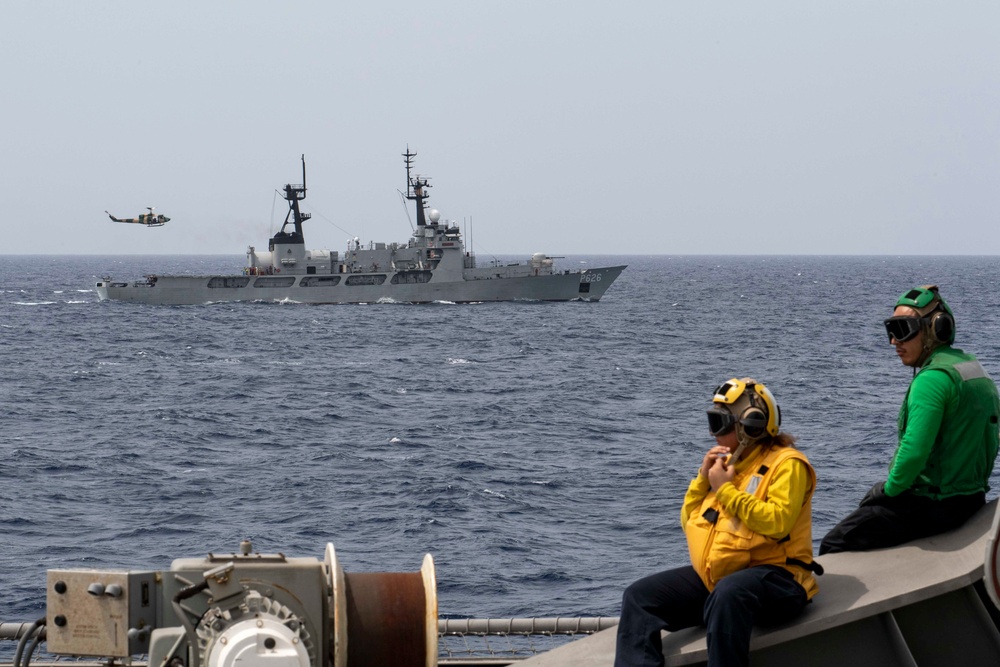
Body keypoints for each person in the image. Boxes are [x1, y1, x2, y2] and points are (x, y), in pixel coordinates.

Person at [615, 378, 821, 667]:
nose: (713, 434)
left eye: (720, 423)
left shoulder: (788, 464)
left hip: (780, 581)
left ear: (750, 425)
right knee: (640, 597)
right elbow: (689, 521)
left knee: (730, 593)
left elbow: (777, 523)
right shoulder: (727, 466)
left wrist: (725, 490)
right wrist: (702, 480)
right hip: (724, 580)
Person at [820, 285, 1000, 554]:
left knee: (835, 543)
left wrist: (888, 489)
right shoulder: (975, 371)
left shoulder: (931, 380)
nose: (895, 341)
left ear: (935, 329)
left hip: (931, 506)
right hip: (971, 501)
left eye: (903, 330)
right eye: (891, 331)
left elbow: (914, 452)